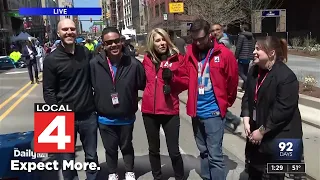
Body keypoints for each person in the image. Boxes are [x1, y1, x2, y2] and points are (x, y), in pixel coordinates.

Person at [42, 19, 98, 180]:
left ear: (76, 32)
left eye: (72, 29)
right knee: (67, 160)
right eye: (65, 29)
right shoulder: (51, 60)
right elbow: (49, 92)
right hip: (63, 117)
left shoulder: (85, 53)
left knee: (91, 157)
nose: (69, 32)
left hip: (88, 115)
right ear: (58, 33)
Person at [241, 36, 303, 180]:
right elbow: (247, 96)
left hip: (280, 136)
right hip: (257, 133)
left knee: (274, 175)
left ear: (271, 53)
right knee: (254, 171)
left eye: (258, 49)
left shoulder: (286, 77)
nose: (254, 52)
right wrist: (245, 116)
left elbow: (282, 111)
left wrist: (262, 131)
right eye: (254, 48)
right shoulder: (253, 71)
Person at [184, 19, 238, 180]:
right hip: (196, 111)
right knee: (203, 152)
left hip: (213, 112)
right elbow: (184, 76)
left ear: (210, 35)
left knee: (215, 155)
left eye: (201, 38)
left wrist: (223, 104)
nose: (198, 42)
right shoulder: (190, 52)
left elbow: (232, 83)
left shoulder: (224, 54)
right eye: (195, 39)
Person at [90, 27, 146, 180]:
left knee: (127, 147)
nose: (113, 45)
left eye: (116, 41)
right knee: (110, 149)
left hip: (126, 116)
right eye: (109, 42)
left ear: (121, 42)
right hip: (104, 117)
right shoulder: (94, 64)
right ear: (103, 44)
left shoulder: (133, 64)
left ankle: (129, 171)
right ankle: (113, 172)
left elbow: (143, 84)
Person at [141, 28, 188, 180]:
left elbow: (185, 82)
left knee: (174, 151)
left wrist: (173, 78)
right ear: (152, 43)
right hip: (149, 112)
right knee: (153, 150)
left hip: (169, 111)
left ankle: (180, 176)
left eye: (163, 40)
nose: (161, 43)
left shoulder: (177, 59)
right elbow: (142, 82)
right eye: (157, 40)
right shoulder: (147, 60)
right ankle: (157, 176)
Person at [235, 23, 255, 91]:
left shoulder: (241, 36)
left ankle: (249, 83)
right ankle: (245, 87)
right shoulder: (252, 37)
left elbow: (238, 47)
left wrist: (235, 57)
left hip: (242, 57)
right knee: (245, 72)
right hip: (249, 57)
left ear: (243, 29)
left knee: (239, 71)